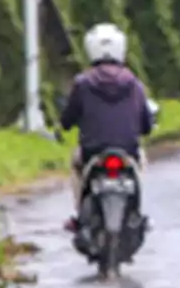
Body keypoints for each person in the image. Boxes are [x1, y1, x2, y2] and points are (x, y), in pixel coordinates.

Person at [60, 23, 155, 232]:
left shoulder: (82, 83)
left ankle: (78, 215)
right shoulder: (134, 83)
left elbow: (67, 119)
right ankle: (137, 212)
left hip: (92, 150)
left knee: (76, 166)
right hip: (128, 149)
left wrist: (67, 122)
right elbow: (146, 124)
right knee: (142, 164)